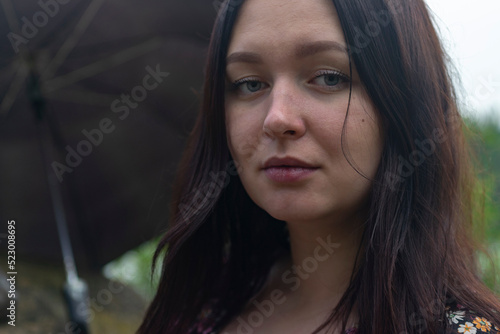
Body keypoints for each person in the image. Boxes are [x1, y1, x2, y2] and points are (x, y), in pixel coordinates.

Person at [138, 0, 500, 333]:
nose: (277, 118)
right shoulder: (197, 309)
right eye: (250, 83)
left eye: (329, 77)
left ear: (405, 103)